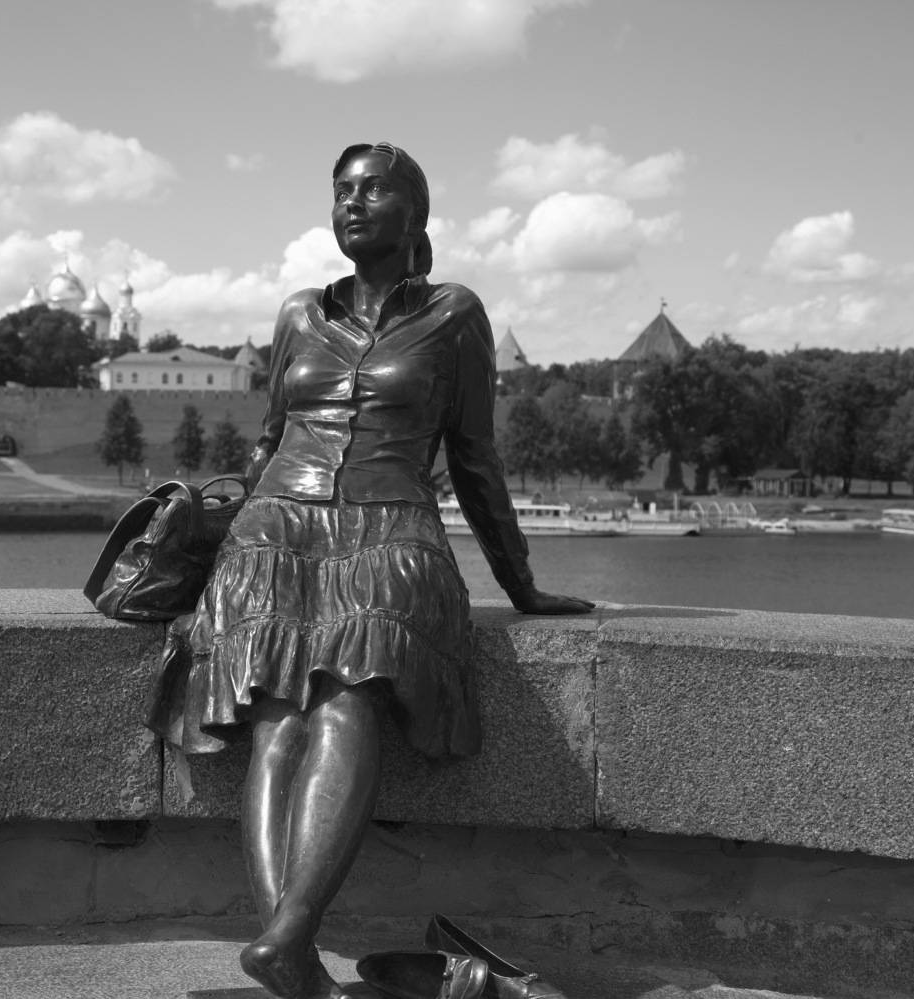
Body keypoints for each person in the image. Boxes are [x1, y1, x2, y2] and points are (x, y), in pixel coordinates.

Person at [149, 142, 593, 999]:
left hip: (393, 530)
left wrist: (521, 584)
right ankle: (289, 949)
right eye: (341, 190)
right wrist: (218, 526)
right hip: (277, 527)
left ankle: (286, 942)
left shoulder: (455, 314)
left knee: (348, 691)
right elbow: (270, 442)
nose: (351, 203)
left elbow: (475, 457)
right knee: (276, 713)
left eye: (373, 189)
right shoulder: (298, 314)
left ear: (415, 213)